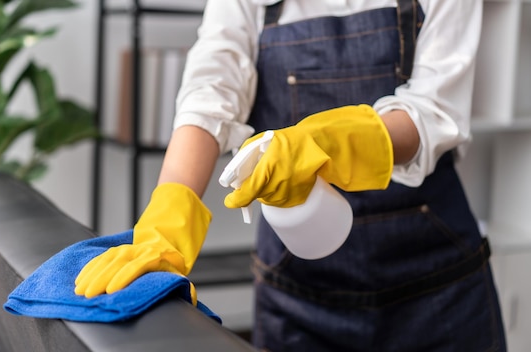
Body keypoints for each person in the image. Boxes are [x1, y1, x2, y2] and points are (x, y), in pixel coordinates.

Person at [75, 0, 507, 350]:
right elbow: (209, 94)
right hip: (298, 298)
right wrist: (169, 213)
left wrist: (328, 143)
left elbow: (435, 113)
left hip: (437, 290)